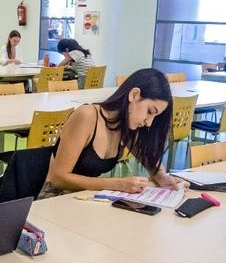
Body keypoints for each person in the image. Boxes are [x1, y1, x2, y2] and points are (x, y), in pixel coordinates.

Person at [46, 68, 183, 194]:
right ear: (134, 95)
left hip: (83, 197)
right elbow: (58, 179)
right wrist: (117, 184)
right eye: (149, 111)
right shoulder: (87, 116)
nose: (149, 122)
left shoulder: (127, 125)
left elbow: (150, 162)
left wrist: (163, 177)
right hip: (53, 198)